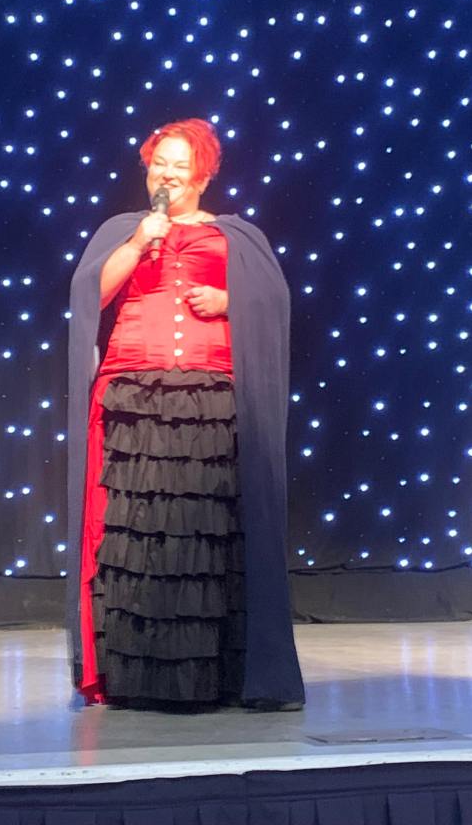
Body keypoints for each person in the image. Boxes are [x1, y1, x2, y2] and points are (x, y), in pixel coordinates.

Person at [66, 118, 305, 711]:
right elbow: (90, 295)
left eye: (179, 165)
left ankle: (219, 676)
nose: (167, 174)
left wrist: (230, 300)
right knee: (139, 531)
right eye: (158, 164)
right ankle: (136, 676)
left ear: (202, 173)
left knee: (205, 531)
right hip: (134, 388)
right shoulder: (124, 229)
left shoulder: (236, 235)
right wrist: (139, 240)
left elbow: (273, 301)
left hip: (209, 391)